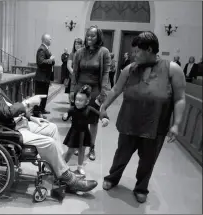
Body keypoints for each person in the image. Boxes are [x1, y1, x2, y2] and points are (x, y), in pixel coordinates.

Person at [0, 58, 98, 193]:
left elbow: (7, 107)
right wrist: (28, 102)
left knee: (51, 128)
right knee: (49, 142)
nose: (1, 78)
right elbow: (6, 112)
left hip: (13, 123)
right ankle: (68, 179)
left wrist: (30, 117)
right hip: (3, 131)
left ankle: (58, 169)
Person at [99, 31, 186, 203]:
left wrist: (176, 124)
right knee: (121, 154)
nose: (134, 54)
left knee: (148, 160)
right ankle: (112, 178)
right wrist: (104, 106)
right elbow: (116, 89)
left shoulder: (172, 69)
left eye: (138, 51)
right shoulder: (129, 69)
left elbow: (180, 98)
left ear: (150, 49)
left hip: (155, 125)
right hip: (129, 121)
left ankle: (141, 187)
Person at [70, 26, 111, 161]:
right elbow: (75, 73)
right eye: (88, 35)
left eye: (92, 36)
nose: (89, 38)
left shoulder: (103, 52)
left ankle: (92, 146)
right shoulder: (79, 52)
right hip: (80, 89)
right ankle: (79, 144)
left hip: (95, 89)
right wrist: (72, 90)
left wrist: (104, 92)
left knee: (93, 121)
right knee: (79, 119)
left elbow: (105, 73)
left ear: (98, 37)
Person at [62, 85, 109, 175]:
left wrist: (104, 118)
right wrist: (64, 117)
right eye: (76, 100)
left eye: (80, 100)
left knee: (82, 150)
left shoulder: (89, 109)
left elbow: (98, 114)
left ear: (87, 101)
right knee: (70, 151)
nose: (77, 102)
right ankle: (62, 166)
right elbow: (66, 115)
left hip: (84, 133)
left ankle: (80, 166)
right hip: (74, 133)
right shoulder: (72, 109)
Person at [33, 33, 55, 119]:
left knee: (44, 95)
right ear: (45, 40)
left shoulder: (46, 49)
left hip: (45, 77)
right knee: (39, 95)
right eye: (50, 39)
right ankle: (37, 112)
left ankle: (42, 110)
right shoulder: (41, 49)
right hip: (41, 77)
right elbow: (41, 62)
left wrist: (51, 60)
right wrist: (51, 60)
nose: (51, 40)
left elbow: (52, 62)